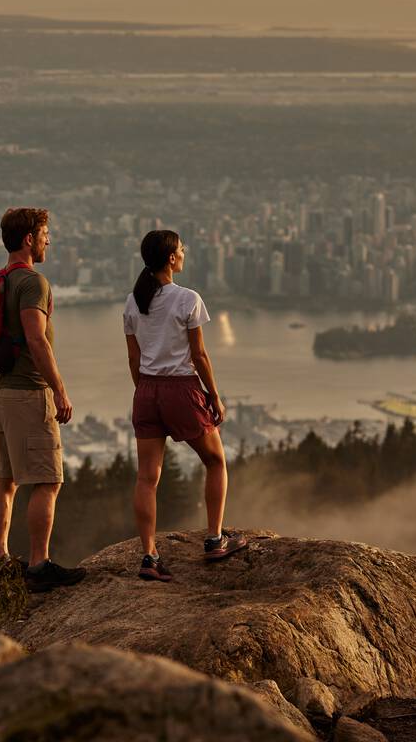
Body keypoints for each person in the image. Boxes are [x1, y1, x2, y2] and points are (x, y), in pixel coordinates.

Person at [123, 230, 247, 582]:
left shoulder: (133, 301)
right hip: (182, 390)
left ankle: (149, 556)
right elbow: (200, 355)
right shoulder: (188, 298)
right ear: (171, 259)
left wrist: (146, 392)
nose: (184, 253)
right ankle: (214, 539)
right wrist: (214, 394)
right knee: (216, 461)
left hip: (146, 391)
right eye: (181, 249)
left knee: (147, 477)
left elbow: (133, 358)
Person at [0, 207, 86, 593]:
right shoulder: (33, 282)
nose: (49, 240)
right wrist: (59, 389)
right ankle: (39, 565)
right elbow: (36, 338)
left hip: (3, 392)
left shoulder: (1, 280)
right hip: (29, 393)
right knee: (47, 480)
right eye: (45, 234)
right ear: (29, 239)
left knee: (6, 479)